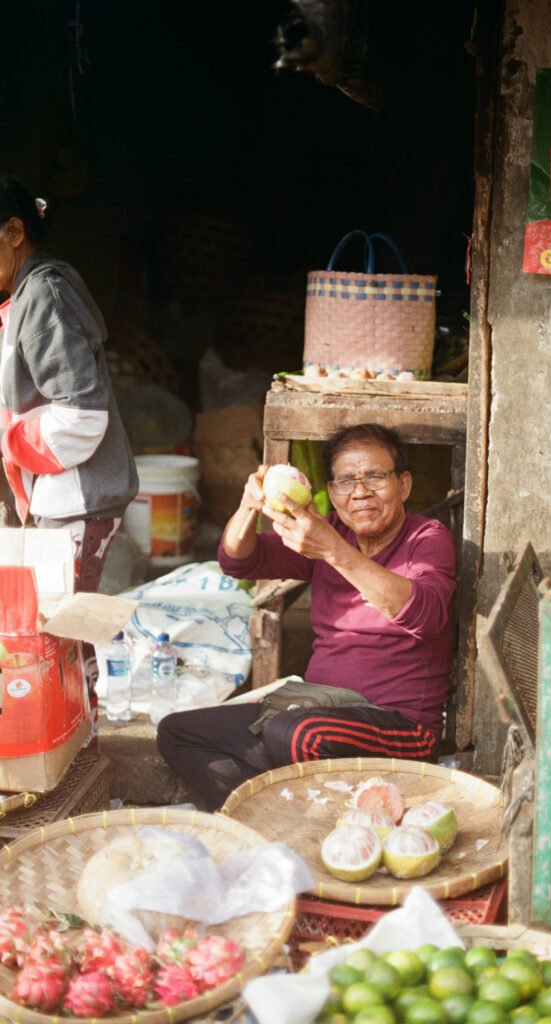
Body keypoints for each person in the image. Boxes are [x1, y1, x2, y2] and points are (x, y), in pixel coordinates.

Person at [158, 423, 457, 811]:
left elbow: (422, 614)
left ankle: (300, 813)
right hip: (320, 713)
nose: (360, 491)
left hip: (400, 727)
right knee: (177, 732)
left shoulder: (427, 538)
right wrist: (251, 506)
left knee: (294, 732)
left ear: (404, 485)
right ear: (332, 493)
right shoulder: (332, 532)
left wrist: (333, 551)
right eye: (346, 481)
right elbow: (237, 559)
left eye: (375, 477)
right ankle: (268, 825)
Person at [0, 176, 139, 734]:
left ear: (13, 232)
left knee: (62, 632)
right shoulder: (22, 296)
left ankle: (75, 750)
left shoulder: (46, 293)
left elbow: (82, 416)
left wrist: (9, 436)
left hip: (77, 497)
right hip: (54, 498)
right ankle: (63, 743)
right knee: (50, 629)